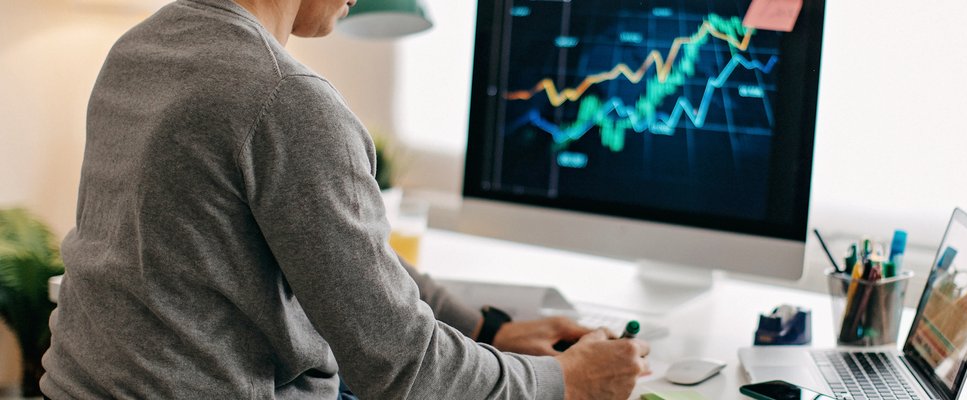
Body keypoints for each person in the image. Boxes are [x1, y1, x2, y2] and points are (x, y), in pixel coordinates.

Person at [41, 0, 650, 398]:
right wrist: (566, 382)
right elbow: (403, 370)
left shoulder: (140, 49)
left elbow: (336, 248)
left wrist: (489, 327)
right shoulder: (282, 98)